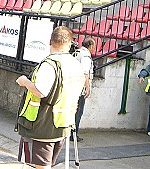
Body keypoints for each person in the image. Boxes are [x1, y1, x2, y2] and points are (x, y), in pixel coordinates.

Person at [16, 26, 85, 169]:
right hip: (64, 123)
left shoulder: (50, 65)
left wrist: (25, 82)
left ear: (50, 41)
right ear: (70, 43)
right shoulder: (76, 65)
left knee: (41, 166)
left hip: (42, 124)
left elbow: (41, 92)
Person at [73, 36, 95, 142]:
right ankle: (73, 133)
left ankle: (70, 133)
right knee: (78, 111)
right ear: (90, 46)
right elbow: (85, 73)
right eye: (93, 46)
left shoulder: (78, 52)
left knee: (74, 110)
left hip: (74, 85)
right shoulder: (86, 56)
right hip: (80, 87)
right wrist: (87, 87)